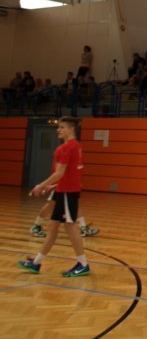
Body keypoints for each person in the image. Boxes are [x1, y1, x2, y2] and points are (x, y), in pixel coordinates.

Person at [18, 116, 91, 277]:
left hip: (67, 193)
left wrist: (41, 185)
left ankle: (83, 264)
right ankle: (36, 262)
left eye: (62, 127)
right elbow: (69, 173)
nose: (58, 130)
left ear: (71, 129)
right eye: (59, 127)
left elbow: (59, 173)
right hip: (63, 190)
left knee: (70, 227)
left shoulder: (66, 148)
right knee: (52, 227)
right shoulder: (77, 146)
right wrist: (52, 186)